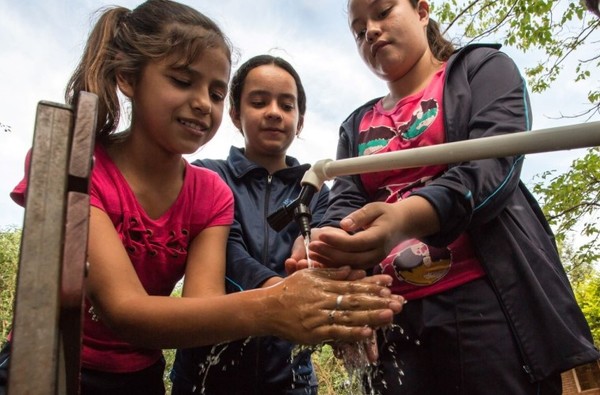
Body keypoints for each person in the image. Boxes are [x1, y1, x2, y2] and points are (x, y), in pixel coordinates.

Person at [3, 1, 405, 394]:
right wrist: (277, 302)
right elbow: (123, 310)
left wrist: (329, 289)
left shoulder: (210, 193)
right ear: (127, 76)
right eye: (181, 80)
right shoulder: (79, 165)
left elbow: (204, 309)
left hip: (142, 375)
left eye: (214, 92)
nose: (201, 103)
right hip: (48, 362)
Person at [287, 0, 600, 394]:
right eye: (358, 29)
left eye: (382, 12)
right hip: (391, 313)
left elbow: (492, 165)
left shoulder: (481, 69)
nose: (370, 31)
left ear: (422, 11)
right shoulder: (356, 124)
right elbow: (343, 203)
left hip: (486, 301)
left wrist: (404, 218)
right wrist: (325, 249)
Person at [170, 54, 328, 395]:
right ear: (235, 113)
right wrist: (279, 290)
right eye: (259, 102)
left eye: (287, 106)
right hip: (205, 379)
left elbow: (327, 251)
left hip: (292, 382)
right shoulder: (208, 175)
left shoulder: (315, 189)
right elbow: (226, 252)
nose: (274, 112)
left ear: (299, 121)